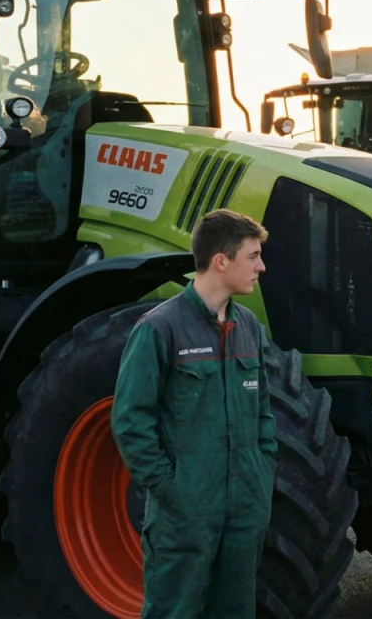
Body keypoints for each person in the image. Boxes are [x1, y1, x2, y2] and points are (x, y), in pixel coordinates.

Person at [111, 209, 276, 618]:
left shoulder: (249, 327)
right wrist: (171, 488)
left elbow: (265, 413)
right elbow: (130, 421)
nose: (261, 266)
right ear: (221, 261)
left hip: (244, 510)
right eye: (252, 256)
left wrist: (261, 470)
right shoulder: (158, 329)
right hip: (183, 516)